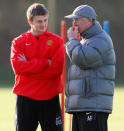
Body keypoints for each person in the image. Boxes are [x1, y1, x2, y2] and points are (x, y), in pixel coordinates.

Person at [10, 3, 65, 131]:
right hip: (25, 98)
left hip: (50, 97)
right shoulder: (18, 42)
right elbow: (18, 68)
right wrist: (46, 62)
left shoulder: (57, 41)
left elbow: (56, 70)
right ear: (30, 21)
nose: (43, 24)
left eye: (45, 20)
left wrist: (28, 66)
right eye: (39, 21)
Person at [65, 5, 116, 131]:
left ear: (90, 20)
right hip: (83, 105)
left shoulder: (101, 39)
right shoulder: (85, 41)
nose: (74, 23)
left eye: (77, 19)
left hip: (93, 106)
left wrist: (71, 40)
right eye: (73, 20)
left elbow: (84, 59)